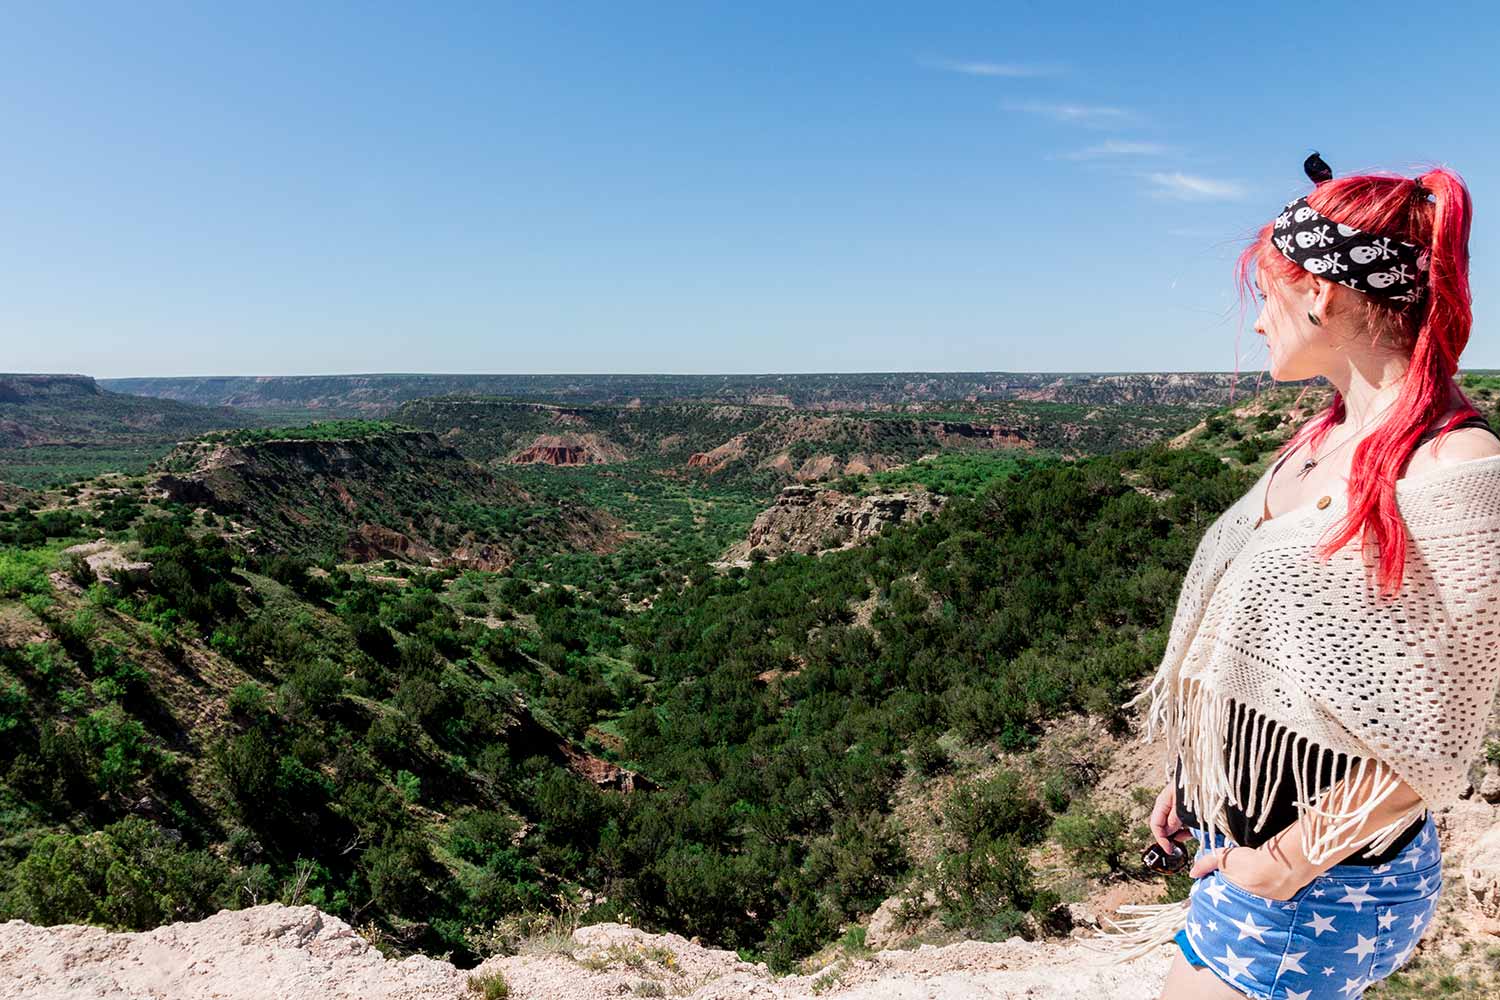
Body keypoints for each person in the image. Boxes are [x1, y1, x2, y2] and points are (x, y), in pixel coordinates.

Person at [1090, 155, 1500, 1000]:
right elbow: (1277, 654)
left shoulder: (1452, 464)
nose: (1255, 323)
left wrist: (1274, 866)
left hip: (1320, 883)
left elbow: (1436, 744)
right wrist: (1193, 783)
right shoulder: (1320, 437)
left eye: (1263, 293)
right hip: (1258, 852)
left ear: (1323, 292)